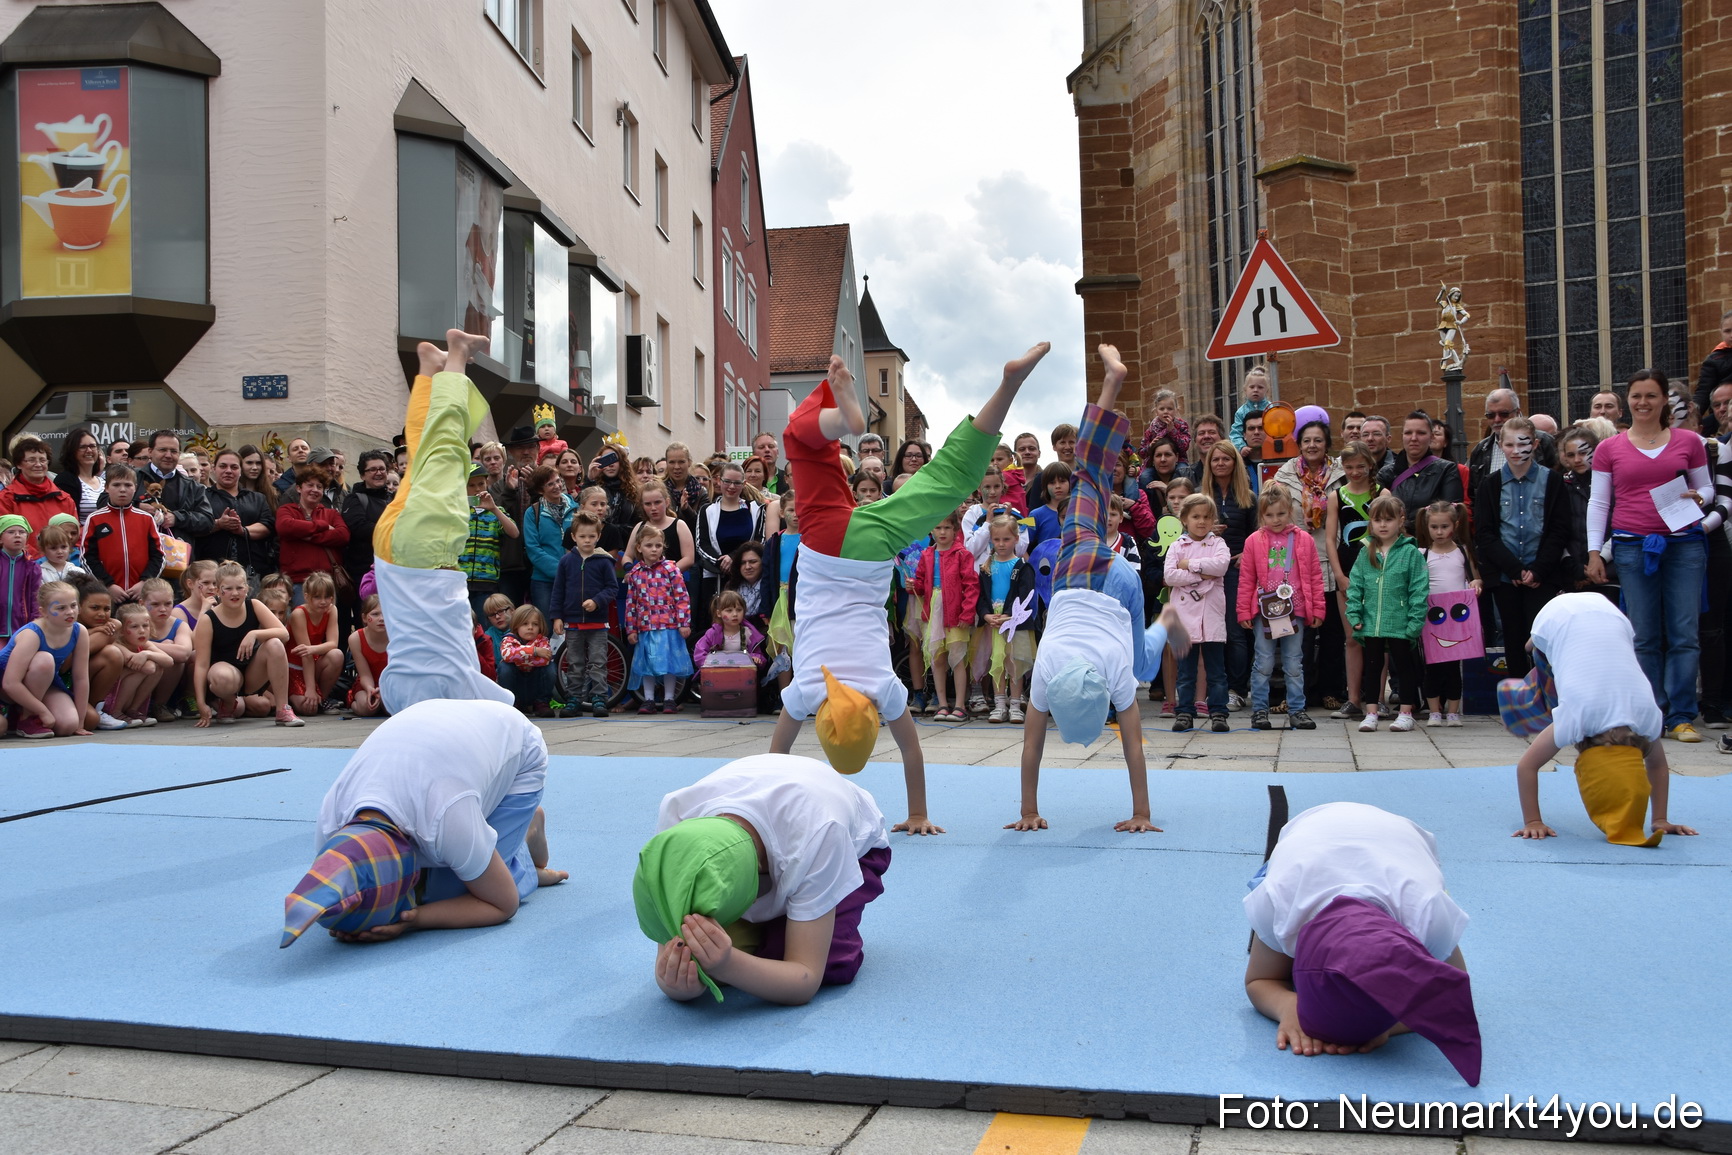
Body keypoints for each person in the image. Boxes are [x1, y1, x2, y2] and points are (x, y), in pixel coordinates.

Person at [775, 343, 1049, 834]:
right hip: (822, 543)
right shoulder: (806, 692)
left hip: (874, 547)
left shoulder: (883, 690)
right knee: (798, 441)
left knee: (950, 478)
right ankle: (839, 424)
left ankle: (1008, 384)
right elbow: (773, 761)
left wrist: (920, 813)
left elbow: (911, 749)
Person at [1008, 344, 1183, 833]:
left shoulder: (1104, 676)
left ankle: (1164, 622)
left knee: (1144, 662)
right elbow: (1033, 749)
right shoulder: (1048, 673)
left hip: (1112, 587)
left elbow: (1125, 745)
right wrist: (1141, 815)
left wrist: (1030, 814)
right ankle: (1110, 383)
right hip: (1084, 571)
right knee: (1088, 475)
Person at [1243, 801, 1481, 1086]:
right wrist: (1287, 1006)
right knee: (1269, 889)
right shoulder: (1279, 903)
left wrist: (1388, 1027)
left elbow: (1453, 989)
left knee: (1431, 887)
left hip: (1399, 839)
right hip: (1311, 831)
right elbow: (1259, 978)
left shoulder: (1430, 916)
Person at [637, 753, 891, 1004]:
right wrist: (678, 983)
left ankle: (770, 929)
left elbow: (806, 978)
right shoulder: (676, 817)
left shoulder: (820, 835)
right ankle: (765, 931)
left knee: (833, 961)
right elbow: (669, 950)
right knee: (702, 952)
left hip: (854, 846)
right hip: (774, 788)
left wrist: (727, 965)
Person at [1508, 593, 1698, 844]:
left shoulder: (1648, 719)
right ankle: (1533, 647)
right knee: (1539, 661)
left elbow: (1657, 765)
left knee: (1573, 667)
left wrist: (1660, 819)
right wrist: (1533, 821)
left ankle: (1539, 643)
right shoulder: (1576, 718)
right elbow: (1527, 766)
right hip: (1555, 616)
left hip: (1614, 619)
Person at [1586, 369, 1713, 742]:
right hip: (1631, 545)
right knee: (1642, 635)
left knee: (1684, 633)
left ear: (1664, 401)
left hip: (1683, 544)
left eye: (1651, 396)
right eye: (1637, 396)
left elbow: (1706, 488)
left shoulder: (1690, 441)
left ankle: (1682, 715)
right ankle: (1649, 713)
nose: (1643, 403)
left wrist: (1700, 499)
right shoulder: (1610, 448)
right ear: (1629, 400)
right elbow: (1599, 501)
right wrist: (1596, 551)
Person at [1473, 416, 1569, 679]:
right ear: (1501, 446)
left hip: (1543, 575)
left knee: (1542, 640)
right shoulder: (1490, 485)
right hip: (1507, 577)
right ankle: (1520, 700)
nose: (1517, 451)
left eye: (1523, 444)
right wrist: (1514, 569)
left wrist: (1538, 570)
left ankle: (1548, 700)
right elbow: (1485, 533)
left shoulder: (1553, 481)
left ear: (1535, 444)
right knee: (1513, 640)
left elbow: (1559, 529)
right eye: (1510, 445)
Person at [1238, 487, 1324, 731]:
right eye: (1270, 515)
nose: (1275, 520)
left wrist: (1317, 609)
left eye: (1281, 514)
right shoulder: (1253, 541)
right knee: (1263, 661)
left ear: (1291, 512)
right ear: (1261, 516)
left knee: (1294, 662)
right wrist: (1244, 610)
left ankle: (1297, 710)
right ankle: (1260, 711)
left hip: (1294, 609)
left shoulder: (1304, 540)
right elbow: (1246, 578)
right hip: (1264, 612)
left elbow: (1315, 576)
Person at [1347, 493, 1429, 733]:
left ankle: (1405, 712)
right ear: (1370, 522)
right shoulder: (1366, 552)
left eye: (1389, 520)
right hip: (1371, 623)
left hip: (1401, 623)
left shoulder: (1410, 553)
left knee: (1404, 667)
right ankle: (1371, 712)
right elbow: (1355, 586)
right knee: (1372, 667)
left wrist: (1415, 622)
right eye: (1377, 520)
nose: (1383, 525)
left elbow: (1419, 588)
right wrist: (1355, 615)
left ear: (1400, 521)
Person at [192, 560, 299, 727]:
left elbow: (284, 633)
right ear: (218, 591)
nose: (235, 593)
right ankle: (227, 703)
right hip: (225, 675)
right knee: (222, 676)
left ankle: (283, 709)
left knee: (275, 644)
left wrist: (254, 633)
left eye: (239, 588)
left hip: (252, 673)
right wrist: (200, 702)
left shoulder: (254, 605)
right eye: (228, 589)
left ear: (247, 589)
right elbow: (201, 664)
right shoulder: (209, 619)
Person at [1322, 441, 1381, 721]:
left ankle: (1377, 699)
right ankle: (1354, 698)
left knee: (1379, 637)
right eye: (1349, 467)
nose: (1355, 471)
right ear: (1341, 469)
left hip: (1377, 571)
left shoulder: (1382, 494)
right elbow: (1331, 540)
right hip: (1347, 571)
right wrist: (1338, 575)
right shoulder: (1337, 496)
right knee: (1353, 638)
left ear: (1370, 464)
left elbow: (1388, 536)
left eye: (1360, 466)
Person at [1165, 493, 1230, 732]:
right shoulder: (1176, 546)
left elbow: (1221, 566)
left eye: (1206, 517)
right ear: (1184, 519)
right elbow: (1171, 576)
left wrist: (1190, 565)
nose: (1201, 522)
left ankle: (1219, 712)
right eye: (1195, 517)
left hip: (1211, 616)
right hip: (1184, 618)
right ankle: (1184, 713)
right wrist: (1203, 573)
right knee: (1186, 671)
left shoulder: (1218, 544)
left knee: (1216, 671)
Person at [1199, 441, 1256, 709]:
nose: (1220, 464)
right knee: (1210, 631)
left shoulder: (1248, 497)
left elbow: (1259, 534)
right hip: (1208, 571)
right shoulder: (1202, 497)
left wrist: (1246, 553)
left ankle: (1237, 689)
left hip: (1235, 571)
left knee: (1235, 631)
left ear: (1235, 462)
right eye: (1215, 460)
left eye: (1226, 459)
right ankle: (1216, 687)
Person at [1416, 501, 1480, 727]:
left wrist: (1475, 585)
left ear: (1456, 524)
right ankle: (1434, 710)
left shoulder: (1462, 551)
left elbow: (1475, 576)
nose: (1439, 532)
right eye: (1434, 527)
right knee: (1432, 666)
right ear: (1427, 526)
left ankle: (1453, 711)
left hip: (1457, 619)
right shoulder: (1422, 554)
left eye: (1444, 526)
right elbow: (1416, 584)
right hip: (1431, 618)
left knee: (1453, 667)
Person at [0, 579, 90, 738]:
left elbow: (81, 677)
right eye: (61, 608)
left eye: (73, 605)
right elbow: (10, 683)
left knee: (68, 725)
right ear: (43, 612)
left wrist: (81, 721)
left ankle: (20, 714)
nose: (70, 612)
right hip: (5, 687)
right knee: (44, 660)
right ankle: (26, 717)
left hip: (40, 684)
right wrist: (43, 711)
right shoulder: (32, 634)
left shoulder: (79, 631)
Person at [551, 511, 619, 719]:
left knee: (598, 662)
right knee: (575, 663)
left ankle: (599, 698)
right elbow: (558, 590)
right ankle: (574, 699)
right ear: (573, 537)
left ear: (598, 536)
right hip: (572, 622)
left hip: (597, 623)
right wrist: (557, 616)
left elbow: (612, 588)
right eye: (582, 536)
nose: (587, 540)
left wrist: (597, 601)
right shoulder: (565, 561)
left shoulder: (604, 561)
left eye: (591, 536)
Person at [911, 511, 978, 721]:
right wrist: (913, 585)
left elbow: (971, 585)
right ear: (931, 530)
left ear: (955, 530)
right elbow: (921, 583)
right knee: (937, 658)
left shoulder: (962, 554)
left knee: (957, 658)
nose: (942, 532)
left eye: (947, 528)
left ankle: (959, 705)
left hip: (955, 612)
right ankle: (941, 703)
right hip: (933, 612)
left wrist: (967, 613)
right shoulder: (927, 555)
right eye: (938, 527)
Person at [624, 521, 693, 714]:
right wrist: (631, 628)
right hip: (645, 626)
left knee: (669, 662)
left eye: (658, 545)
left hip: (669, 625)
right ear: (639, 547)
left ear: (663, 546)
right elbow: (631, 603)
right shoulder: (636, 574)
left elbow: (682, 597)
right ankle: (648, 699)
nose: (654, 549)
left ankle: (670, 698)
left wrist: (683, 622)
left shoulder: (671, 569)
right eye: (648, 545)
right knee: (647, 664)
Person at [975, 514, 1037, 724]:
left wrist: (1009, 615)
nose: (1001, 544)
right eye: (997, 539)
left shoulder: (1022, 566)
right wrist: (985, 615)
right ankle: (1000, 704)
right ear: (991, 540)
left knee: (1014, 662)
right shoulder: (986, 567)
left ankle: (1016, 703)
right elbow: (981, 596)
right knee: (997, 661)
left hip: (1014, 622)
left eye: (1006, 539)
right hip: (993, 621)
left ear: (1016, 539)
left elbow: (1025, 594)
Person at [80, 465, 163, 605]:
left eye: (128, 485)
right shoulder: (95, 519)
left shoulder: (146, 518)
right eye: (116, 485)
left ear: (135, 487)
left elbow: (158, 555)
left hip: (140, 594)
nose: (122, 489)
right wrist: (108, 585)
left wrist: (145, 582)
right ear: (106, 488)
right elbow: (87, 557)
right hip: (109, 595)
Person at [696, 461, 768, 618]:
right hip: (715, 578)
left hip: (747, 578)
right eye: (727, 481)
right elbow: (702, 544)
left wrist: (734, 559)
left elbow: (759, 540)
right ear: (719, 481)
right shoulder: (707, 511)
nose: (731, 486)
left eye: (737, 483)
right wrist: (721, 562)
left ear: (744, 484)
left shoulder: (756, 509)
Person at [274, 463, 351, 605]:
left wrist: (306, 535)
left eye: (319, 487)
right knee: (300, 625)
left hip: (328, 582)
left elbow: (343, 535)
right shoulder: (287, 510)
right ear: (299, 488)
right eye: (310, 485)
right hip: (298, 583)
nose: (314, 490)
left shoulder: (331, 513)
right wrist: (322, 526)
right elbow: (285, 527)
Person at [1466, 388, 1558, 501]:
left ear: (1518, 412)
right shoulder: (1481, 450)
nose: (1497, 419)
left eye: (1503, 414)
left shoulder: (1544, 441)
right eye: (1490, 415)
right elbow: (1474, 494)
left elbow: (1557, 483)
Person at [199, 449, 276, 581]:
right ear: (213, 468)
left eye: (234, 467)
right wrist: (218, 524)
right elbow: (194, 526)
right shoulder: (202, 497)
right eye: (223, 466)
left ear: (240, 471)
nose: (228, 470)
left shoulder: (257, 498)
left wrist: (242, 530)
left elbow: (268, 525)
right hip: (211, 572)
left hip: (252, 571)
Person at [1379, 410, 1464, 529]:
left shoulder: (1446, 470)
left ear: (1431, 437)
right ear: (1402, 436)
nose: (1414, 438)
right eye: (1408, 433)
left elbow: (1451, 513)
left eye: (1421, 433)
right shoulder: (1385, 473)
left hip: (1432, 542)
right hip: (1396, 542)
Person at [458, 462, 520, 623]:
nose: (477, 489)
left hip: (486, 581)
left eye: (481, 484)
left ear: (487, 483)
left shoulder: (496, 511)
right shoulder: (458, 511)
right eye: (471, 485)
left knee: (484, 626)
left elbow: (514, 532)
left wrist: (494, 509)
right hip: (459, 580)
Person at [0, 436, 78, 558]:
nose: (38, 465)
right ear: (19, 464)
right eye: (31, 460)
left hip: (61, 566)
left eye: (42, 460)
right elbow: (5, 537)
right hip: (23, 565)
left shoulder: (64, 498)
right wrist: (38, 561)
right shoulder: (6, 499)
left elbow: (74, 536)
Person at [132, 430, 213, 542]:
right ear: (150, 452)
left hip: (177, 555)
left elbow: (207, 521)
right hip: (139, 551)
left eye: (174, 451)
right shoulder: (133, 477)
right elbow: (105, 501)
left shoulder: (192, 486)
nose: (168, 455)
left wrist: (177, 518)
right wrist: (136, 507)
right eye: (163, 450)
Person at [102, 602, 172, 726]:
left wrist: (147, 654)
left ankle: (133, 710)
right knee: (145, 668)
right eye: (134, 627)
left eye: (145, 625)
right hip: (111, 698)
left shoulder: (144, 645)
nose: (141, 631)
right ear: (122, 631)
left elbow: (169, 661)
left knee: (159, 667)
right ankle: (115, 711)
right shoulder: (117, 645)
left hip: (129, 697)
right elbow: (145, 666)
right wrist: (148, 658)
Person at [520, 464, 574, 625]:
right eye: (550, 484)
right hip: (544, 581)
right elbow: (533, 549)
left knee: (573, 627)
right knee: (547, 627)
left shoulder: (576, 508)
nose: (557, 486)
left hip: (573, 578)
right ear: (540, 490)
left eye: (558, 481)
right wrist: (561, 570)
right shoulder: (532, 513)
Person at [287, 570, 344, 717]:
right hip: (294, 667)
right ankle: (292, 696)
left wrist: (313, 649)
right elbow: (305, 655)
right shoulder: (299, 614)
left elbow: (333, 644)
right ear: (307, 597)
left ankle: (321, 697)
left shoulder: (332, 610)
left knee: (336, 655)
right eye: (317, 597)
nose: (323, 601)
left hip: (313, 660)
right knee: (307, 709)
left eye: (327, 597)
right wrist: (310, 689)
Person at [339, 449, 394, 586]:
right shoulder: (354, 499)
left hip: (392, 570)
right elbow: (360, 527)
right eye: (373, 469)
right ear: (362, 475)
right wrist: (395, 531)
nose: (379, 473)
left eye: (382, 469)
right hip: (364, 574)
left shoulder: (394, 500)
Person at [141, 576, 191, 722]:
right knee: (166, 651)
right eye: (155, 604)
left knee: (175, 658)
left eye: (168, 604)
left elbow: (184, 653)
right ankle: (134, 706)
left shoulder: (179, 625)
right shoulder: (135, 622)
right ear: (142, 603)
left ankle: (159, 705)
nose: (162, 609)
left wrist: (148, 646)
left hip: (168, 682)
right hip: (141, 675)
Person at [498, 604, 556, 716]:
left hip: (534, 685)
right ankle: (512, 703)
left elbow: (545, 659)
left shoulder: (542, 640)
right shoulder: (509, 639)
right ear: (516, 625)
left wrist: (519, 656)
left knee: (550, 667)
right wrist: (534, 651)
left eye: (535, 624)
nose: (530, 627)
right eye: (525, 624)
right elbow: (507, 655)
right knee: (505, 667)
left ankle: (542, 703)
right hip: (517, 686)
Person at [1, 514, 44, 646]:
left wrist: (34, 625)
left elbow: (35, 598)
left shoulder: (32, 567)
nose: (17, 535)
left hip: (22, 628)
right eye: (11, 532)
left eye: (22, 532)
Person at [347, 593, 389, 717]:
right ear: (365, 618)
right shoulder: (356, 639)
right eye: (375, 614)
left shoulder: (397, 637)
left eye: (385, 614)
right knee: (366, 708)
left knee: (392, 708)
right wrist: (371, 689)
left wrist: (385, 690)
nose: (381, 618)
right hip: (367, 683)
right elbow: (364, 674)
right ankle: (352, 701)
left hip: (391, 683)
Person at [1693, 307, 1732, 437]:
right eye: (1727, 331)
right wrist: (1692, 415)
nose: (1731, 334)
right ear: (1720, 332)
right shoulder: (1714, 359)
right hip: (1723, 412)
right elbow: (1703, 392)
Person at [54, 429, 105, 527]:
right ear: (72, 451)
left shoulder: (104, 481)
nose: (89, 450)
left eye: (92, 446)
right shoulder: (65, 480)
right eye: (82, 447)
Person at [1137, 389, 1191, 482]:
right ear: (1156, 411)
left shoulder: (1181, 425)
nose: (1166, 412)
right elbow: (1142, 452)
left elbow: (1184, 447)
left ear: (1176, 410)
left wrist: (1172, 431)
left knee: (1184, 474)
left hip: (1179, 462)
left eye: (1170, 409)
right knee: (1145, 478)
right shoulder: (1151, 429)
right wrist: (1150, 446)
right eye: (1162, 409)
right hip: (1155, 464)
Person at [1229, 364, 1271, 450]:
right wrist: (1241, 447)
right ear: (1245, 389)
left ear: (1267, 390)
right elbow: (1235, 433)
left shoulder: (1271, 409)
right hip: (1248, 453)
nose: (1255, 390)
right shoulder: (1241, 412)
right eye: (1252, 387)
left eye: (1260, 387)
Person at [35, 521, 84, 587]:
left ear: (69, 547)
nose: (60, 551)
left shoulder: (77, 571)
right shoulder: (39, 573)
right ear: (43, 549)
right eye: (53, 548)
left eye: (63, 547)